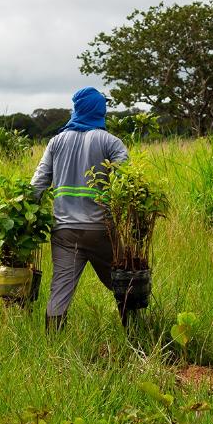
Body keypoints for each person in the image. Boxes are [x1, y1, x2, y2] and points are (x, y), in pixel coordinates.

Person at [31, 87, 129, 330]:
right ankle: (136, 334)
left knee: (61, 287)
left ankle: (52, 346)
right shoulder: (111, 142)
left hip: (64, 232)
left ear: (77, 109)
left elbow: (36, 186)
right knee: (123, 282)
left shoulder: (56, 142)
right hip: (101, 230)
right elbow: (126, 183)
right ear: (100, 110)